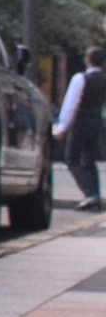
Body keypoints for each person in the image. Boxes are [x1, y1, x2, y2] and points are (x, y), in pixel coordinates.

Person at [55, 46, 106, 212]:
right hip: (96, 123)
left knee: (71, 159)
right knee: (89, 161)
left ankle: (90, 194)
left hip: (80, 123)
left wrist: (63, 126)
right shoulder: (103, 79)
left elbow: (71, 105)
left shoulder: (80, 78)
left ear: (88, 60)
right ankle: (95, 195)